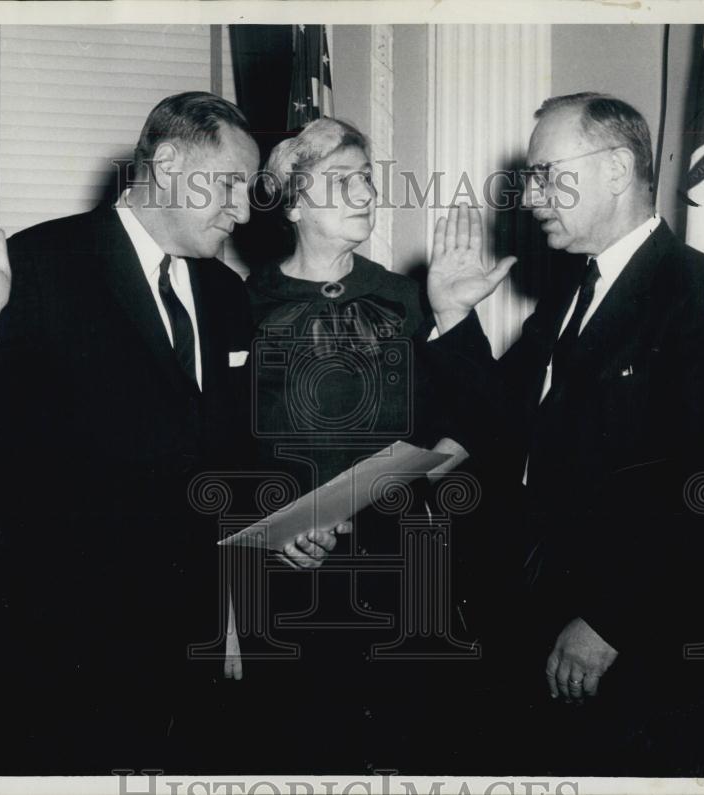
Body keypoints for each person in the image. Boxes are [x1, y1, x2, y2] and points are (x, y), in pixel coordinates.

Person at [0, 92, 338, 774]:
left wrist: (282, 523)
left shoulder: (223, 294)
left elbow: (227, 454)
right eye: (230, 184)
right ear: (169, 161)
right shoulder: (37, 265)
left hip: (182, 660)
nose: (243, 210)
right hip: (55, 663)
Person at [423, 93, 704, 776]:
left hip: (637, 647)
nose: (531, 195)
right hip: (554, 627)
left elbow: (702, 488)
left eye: (548, 173)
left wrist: (608, 621)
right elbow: (502, 424)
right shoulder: (577, 290)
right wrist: (454, 317)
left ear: (614, 170)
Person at [231, 118, 484, 773]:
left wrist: (423, 468)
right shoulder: (242, 305)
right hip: (284, 582)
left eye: (367, 180)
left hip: (397, 571)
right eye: (342, 181)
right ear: (293, 202)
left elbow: (463, 424)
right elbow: (221, 451)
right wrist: (268, 529)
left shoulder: (404, 299)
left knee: (397, 753)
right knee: (296, 755)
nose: (366, 193)